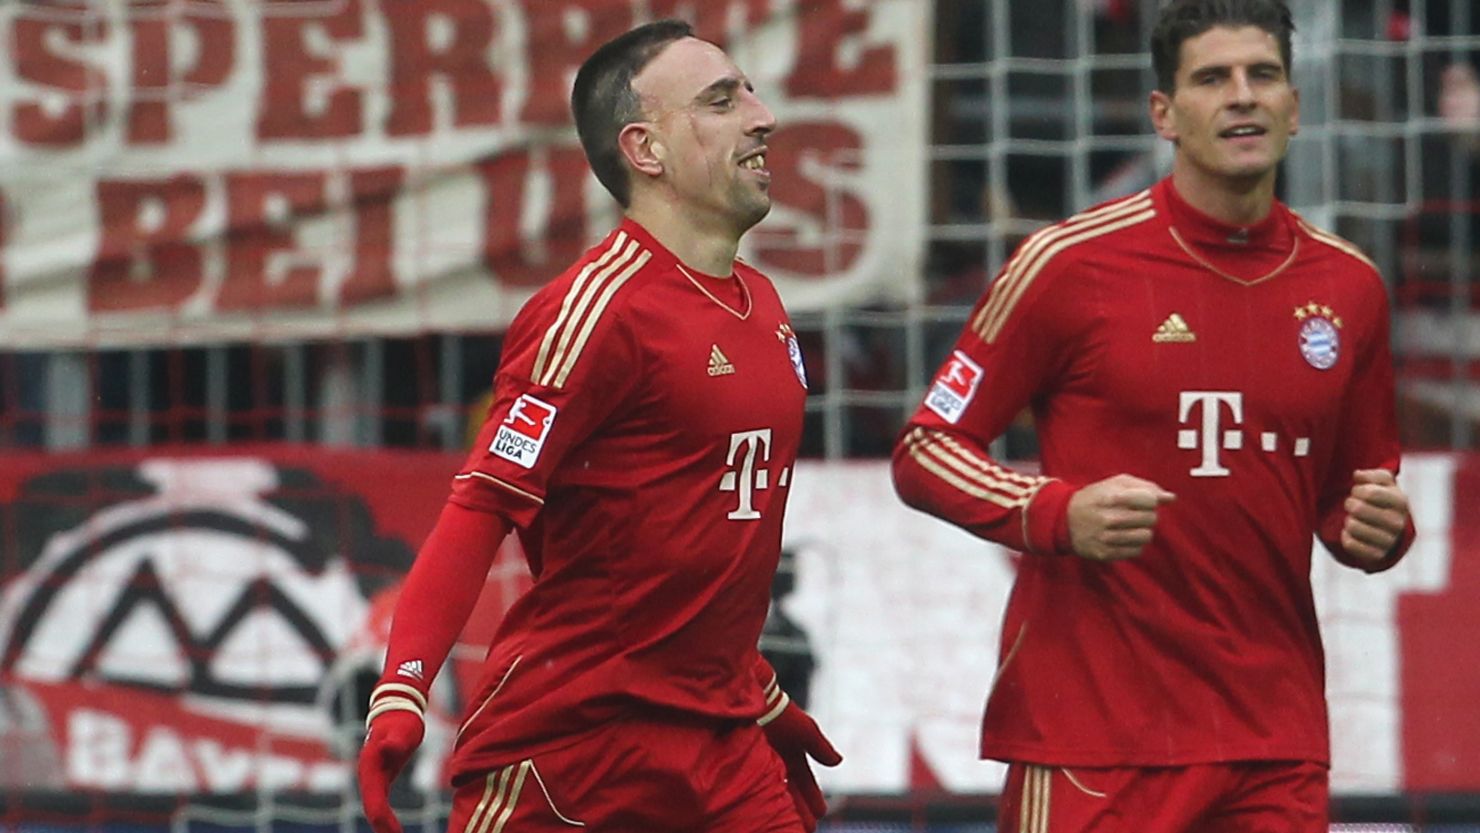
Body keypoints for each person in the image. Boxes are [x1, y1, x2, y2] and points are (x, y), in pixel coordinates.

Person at [891, 1, 1415, 831]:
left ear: (1294, 105)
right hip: (1095, 734)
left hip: (1273, 740)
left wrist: (1379, 529)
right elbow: (927, 448)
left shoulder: (1350, 287)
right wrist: (1052, 509)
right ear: (1163, 115)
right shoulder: (1067, 266)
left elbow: (1352, 498)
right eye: (1212, 79)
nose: (1241, 96)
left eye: (1262, 75)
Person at [357, 20, 840, 833]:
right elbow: (482, 506)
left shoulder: (764, 306)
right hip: (575, 753)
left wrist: (761, 690)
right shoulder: (595, 312)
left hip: (724, 742)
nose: (763, 117)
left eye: (750, 90)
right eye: (722, 101)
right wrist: (402, 689)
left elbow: (682, 547)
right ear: (645, 150)